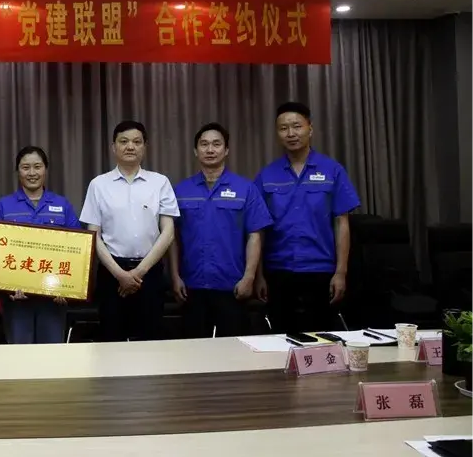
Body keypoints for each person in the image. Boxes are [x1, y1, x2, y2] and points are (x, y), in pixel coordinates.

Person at [255, 102, 360, 333]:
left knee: (322, 339)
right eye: (283, 128)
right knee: (280, 338)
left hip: (321, 270)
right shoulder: (267, 175)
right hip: (278, 270)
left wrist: (341, 272)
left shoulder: (332, 170)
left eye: (297, 126)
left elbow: (341, 223)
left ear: (310, 129)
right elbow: (258, 230)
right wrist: (258, 274)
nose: (291, 133)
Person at [168, 123, 272, 338]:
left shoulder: (246, 189)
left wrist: (249, 277)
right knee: (193, 349)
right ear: (195, 150)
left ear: (226, 150)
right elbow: (172, 238)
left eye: (216, 144)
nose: (210, 149)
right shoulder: (181, 190)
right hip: (192, 286)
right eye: (204, 144)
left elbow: (255, 235)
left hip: (232, 286)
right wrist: (175, 276)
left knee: (234, 349)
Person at [81, 121, 179, 342]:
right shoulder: (98, 185)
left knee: (150, 341)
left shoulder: (160, 182)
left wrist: (138, 273)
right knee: (111, 340)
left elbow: (168, 232)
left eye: (136, 142)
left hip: (150, 274)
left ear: (145, 147)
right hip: (111, 274)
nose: (130, 147)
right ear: (113, 147)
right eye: (123, 141)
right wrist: (120, 275)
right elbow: (93, 235)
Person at [0, 146, 81, 344]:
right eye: (26, 167)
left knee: (51, 356)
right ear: (18, 171)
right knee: (20, 356)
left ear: (45, 169)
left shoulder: (62, 205)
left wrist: (68, 288)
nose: (32, 173)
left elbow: (78, 250)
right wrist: (7, 287)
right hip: (17, 300)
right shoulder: (3, 206)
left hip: (53, 299)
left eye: (37, 167)